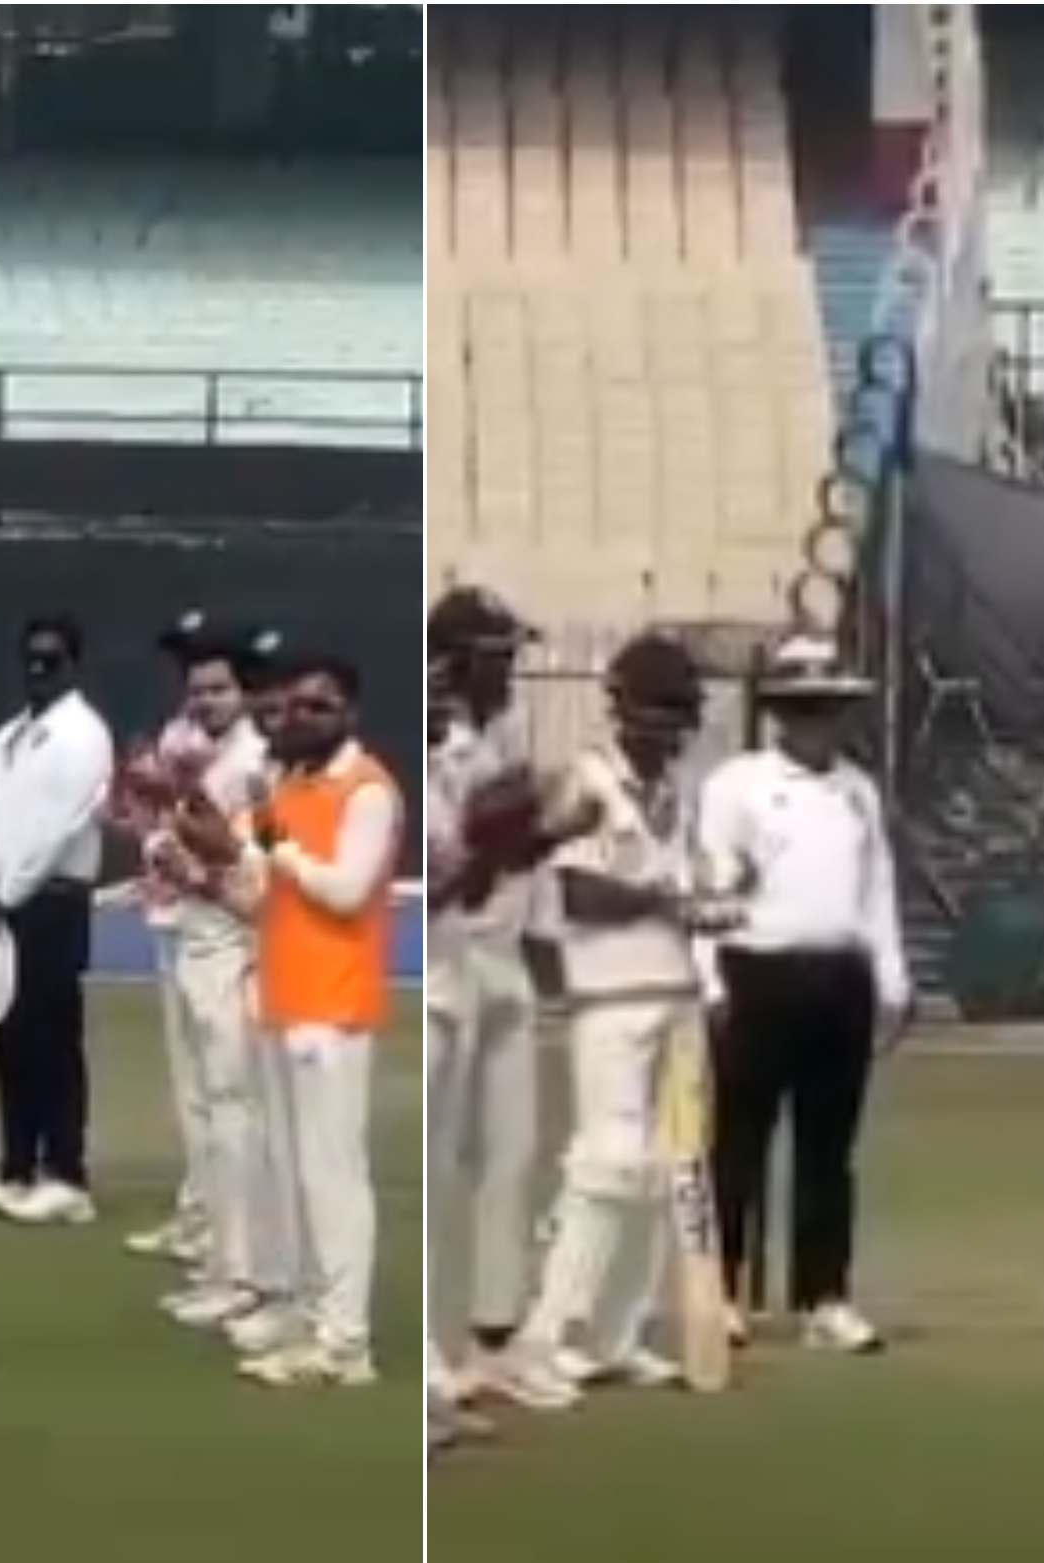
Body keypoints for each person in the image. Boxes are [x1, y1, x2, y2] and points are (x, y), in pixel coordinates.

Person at [483, 634, 721, 1411]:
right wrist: (667, 901)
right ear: (618, 707)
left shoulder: (675, 791)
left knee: (664, 1171)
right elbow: (581, 898)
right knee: (605, 1164)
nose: (662, 732)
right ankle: (541, 1339)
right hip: (608, 998)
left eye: (675, 718)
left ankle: (613, 1339)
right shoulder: (586, 782)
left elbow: (680, 892)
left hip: (674, 991)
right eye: (649, 715)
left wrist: (702, 915)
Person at [179, 652, 399, 1388]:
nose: (300, 719)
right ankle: (309, 1313)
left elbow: (343, 891)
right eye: (294, 707)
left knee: (333, 1174)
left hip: (333, 1007)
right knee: (295, 1173)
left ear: (350, 714)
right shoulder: (289, 788)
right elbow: (264, 893)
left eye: (319, 707)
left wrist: (251, 844)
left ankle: (347, 1340)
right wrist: (216, 856)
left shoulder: (368, 791)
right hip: (283, 996)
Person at [693, 631, 912, 1354]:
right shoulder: (736, 785)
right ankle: (720, 1292)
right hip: (757, 972)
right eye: (802, 706)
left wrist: (891, 976)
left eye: (827, 706)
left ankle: (825, 1295)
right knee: (738, 1142)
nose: (816, 720)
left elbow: (876, 887)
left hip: (839, 977)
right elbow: (709, 886)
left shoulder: (858, 790)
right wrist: (708, 976)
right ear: (781, 711)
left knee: (828, 1148)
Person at [134, 625, 286, 1337]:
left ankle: (246, 1273)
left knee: (234, 1109)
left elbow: (246, 871)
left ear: (247, 692)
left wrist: (185, 859)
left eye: (220, 689)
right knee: (215, 1107)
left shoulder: (254, 762)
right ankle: (226, 1262)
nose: (207, 702)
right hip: (197, 940)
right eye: (197, 691)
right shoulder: (205, 754)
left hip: (230, 945)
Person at [0, 616, 115, 1227]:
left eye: (52, 660)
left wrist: (6, 893)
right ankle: (15, 1170)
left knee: (52, 1037)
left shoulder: (84, 735)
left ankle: (66, 1175)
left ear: (73, 664)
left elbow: (61, 827)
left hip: (53, 900)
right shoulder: (10, 735)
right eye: (31, 660)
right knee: (6, 1033)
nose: (39, 672)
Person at [423, 587, 545, 1363]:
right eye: (501, 657)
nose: (513, 672)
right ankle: (439, 1344)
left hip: (510, 955)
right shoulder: (435, 738)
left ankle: (499, 1330)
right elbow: (454, 864)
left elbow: (523, 843)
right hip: (454, 956)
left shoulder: (514, 725)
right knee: (443, 1159)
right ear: (459, 660)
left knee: (514, 1146)